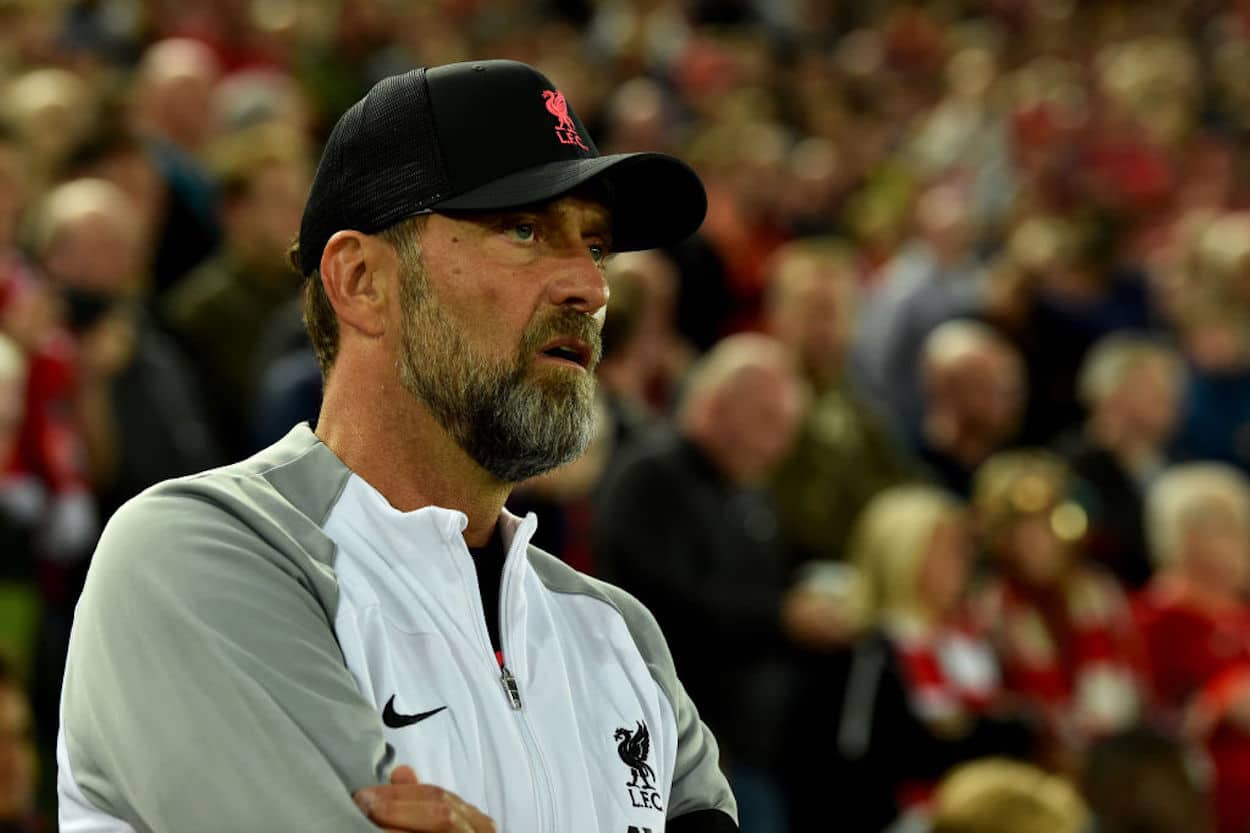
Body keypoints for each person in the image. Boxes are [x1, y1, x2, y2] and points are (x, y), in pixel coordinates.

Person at [57, 60, 734, 832]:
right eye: (524, 228)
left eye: (596, 245)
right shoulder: (199, 555)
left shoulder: (620, 635)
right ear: (360, 281)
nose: (590, 284)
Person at [594, 332, 846, 833]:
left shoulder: (750, 494)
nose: (781, 446)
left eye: (789, 430)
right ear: (717, 403)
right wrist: (784, 617)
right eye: (769, 423)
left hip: (754, 754)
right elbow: (657, 611)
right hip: (682, 754)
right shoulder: (653, 478)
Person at [1135, 463, 1250, 833]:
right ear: (1181, 538)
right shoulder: (1155, 619)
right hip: (1204, 801)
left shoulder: (1242, 614)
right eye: (1225, 529)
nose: (1242, 540)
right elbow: (1149, 715)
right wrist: (1219, 702)